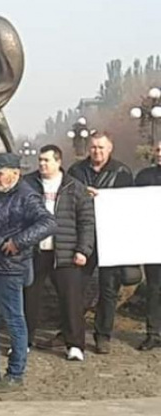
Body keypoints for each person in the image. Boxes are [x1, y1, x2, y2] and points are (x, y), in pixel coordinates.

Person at [0, 153, 56, 392]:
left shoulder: (27, 196)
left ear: (15, 173)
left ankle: (16, 373)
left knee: (14, 319)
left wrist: (19, 241)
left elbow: (48, 223)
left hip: (11, 268)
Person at [23, 145, 95, 362]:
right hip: (35, 251)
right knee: (29, 298)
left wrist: (83, 250)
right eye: (40, 160)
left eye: (47, 160)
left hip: (65, 251)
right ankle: (24, 341)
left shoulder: (74, 187)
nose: (42, 164)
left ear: (58, 161)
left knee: (71, 300)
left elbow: (86, 221)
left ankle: (75, 345)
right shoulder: (27, 184)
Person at [68, 132, 134, 354]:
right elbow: (66, 197)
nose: (97, 151)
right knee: (75, 286)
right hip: (83, 236)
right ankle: (71, 331)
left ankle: (103, 334)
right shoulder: (76, 171)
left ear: (110, 148)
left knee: (108, 289)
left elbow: (129, 203)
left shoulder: (122, 172)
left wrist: (103, 197)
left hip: (111, 236)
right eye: (94, 147)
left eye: (101, 147)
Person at [135, 140, 161, 351]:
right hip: (153, 242)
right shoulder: (144, 177)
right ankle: (153, 332)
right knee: (154, 289)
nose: (160, 153)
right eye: (158, 150)